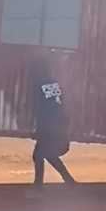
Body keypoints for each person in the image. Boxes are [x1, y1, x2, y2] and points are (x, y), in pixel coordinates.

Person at [29, 57, 76, 193]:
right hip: (59, 123)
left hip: (48, 126)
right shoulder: (54, 83)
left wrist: (38, 129)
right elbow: (60, 104)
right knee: (46, 154)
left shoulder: (38, 85)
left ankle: (39, 187)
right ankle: (69, 181)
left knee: (39, 155)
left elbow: (40, 109)